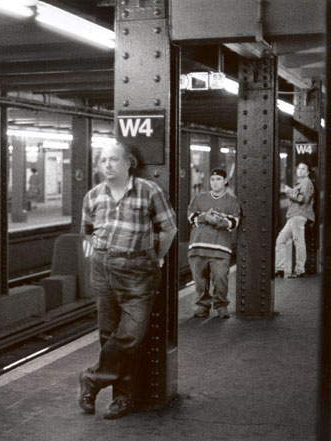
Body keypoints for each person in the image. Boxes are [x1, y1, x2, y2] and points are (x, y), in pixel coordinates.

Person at [78, 140, 177, 420]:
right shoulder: (93, 196)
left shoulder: (149, 191)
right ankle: (122, 397)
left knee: (130, 336)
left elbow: (169, 229)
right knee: (108, 334)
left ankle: (91, 379)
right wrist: (100, 255)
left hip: (138, 269)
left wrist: (155, 257)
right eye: (102, 161)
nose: (107, 165)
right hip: (103, 267)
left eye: (113, 160)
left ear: (128, 162)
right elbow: (87, 232)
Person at [187, 168, 241, 319]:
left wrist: (218, 221)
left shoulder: (232, 201)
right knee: (199, 279)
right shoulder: (199, 198)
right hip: (198, 246)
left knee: (220, 278)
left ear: (225, 181)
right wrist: (205, 217)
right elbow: (191, 216)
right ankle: (202, 305)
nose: (215, 182)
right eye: (212, 179)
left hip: (220, 248)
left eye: (218, 179)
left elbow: (234, 222)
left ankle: (221, 305)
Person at [275, 162, 315, 278]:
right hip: (294, 216)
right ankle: (280, 268)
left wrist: (289, 191)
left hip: (299, 215)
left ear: (307, 172)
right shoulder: (301, 183)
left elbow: (302, 198)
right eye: (299, 169)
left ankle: (299, 270)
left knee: (298, 242)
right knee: (281, 240)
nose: (300, 171)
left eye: (303, 169)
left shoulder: (306, 182)